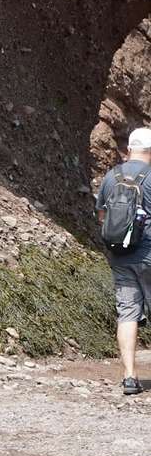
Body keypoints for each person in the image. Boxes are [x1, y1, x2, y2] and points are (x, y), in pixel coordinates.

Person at [96, 127, 151, 395]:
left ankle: (130, 377)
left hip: (121, 256)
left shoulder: (111, 176)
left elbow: (102, 218)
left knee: (127, 314)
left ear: (129, 149)